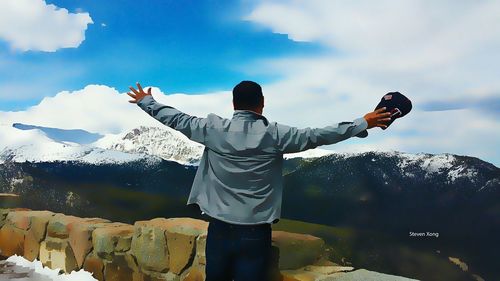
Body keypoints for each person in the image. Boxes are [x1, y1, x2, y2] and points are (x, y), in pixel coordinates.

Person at [127, 81, 391, 281]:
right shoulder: (276, 135)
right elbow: (318, 135)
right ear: (262, 103)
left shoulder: (212, 129)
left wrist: (146, 101)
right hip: (255, 231)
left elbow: (175, 118)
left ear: (233, 104)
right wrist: (362, 123)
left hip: (218, 227)